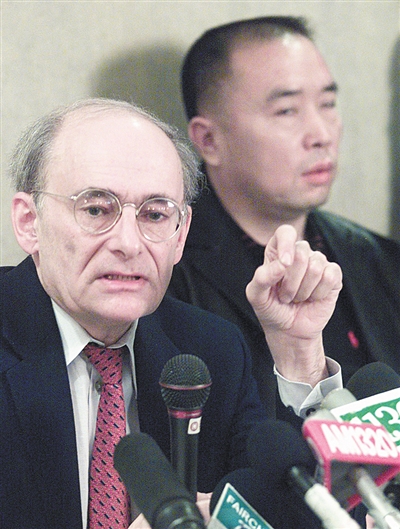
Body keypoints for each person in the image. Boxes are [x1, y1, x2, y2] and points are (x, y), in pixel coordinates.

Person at [0, 98, 343, 529]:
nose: (129, 243)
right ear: (29, 222)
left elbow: (298, 512)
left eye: (155, 215)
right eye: (96, 209)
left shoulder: (210, 350)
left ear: (180, 236)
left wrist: (298, 352)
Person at [169, 15, 400, 416]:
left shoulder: (378, 258)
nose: (321, 134)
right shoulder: (169, 273)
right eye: (287, 111)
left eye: (327, 104)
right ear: (209, 140)